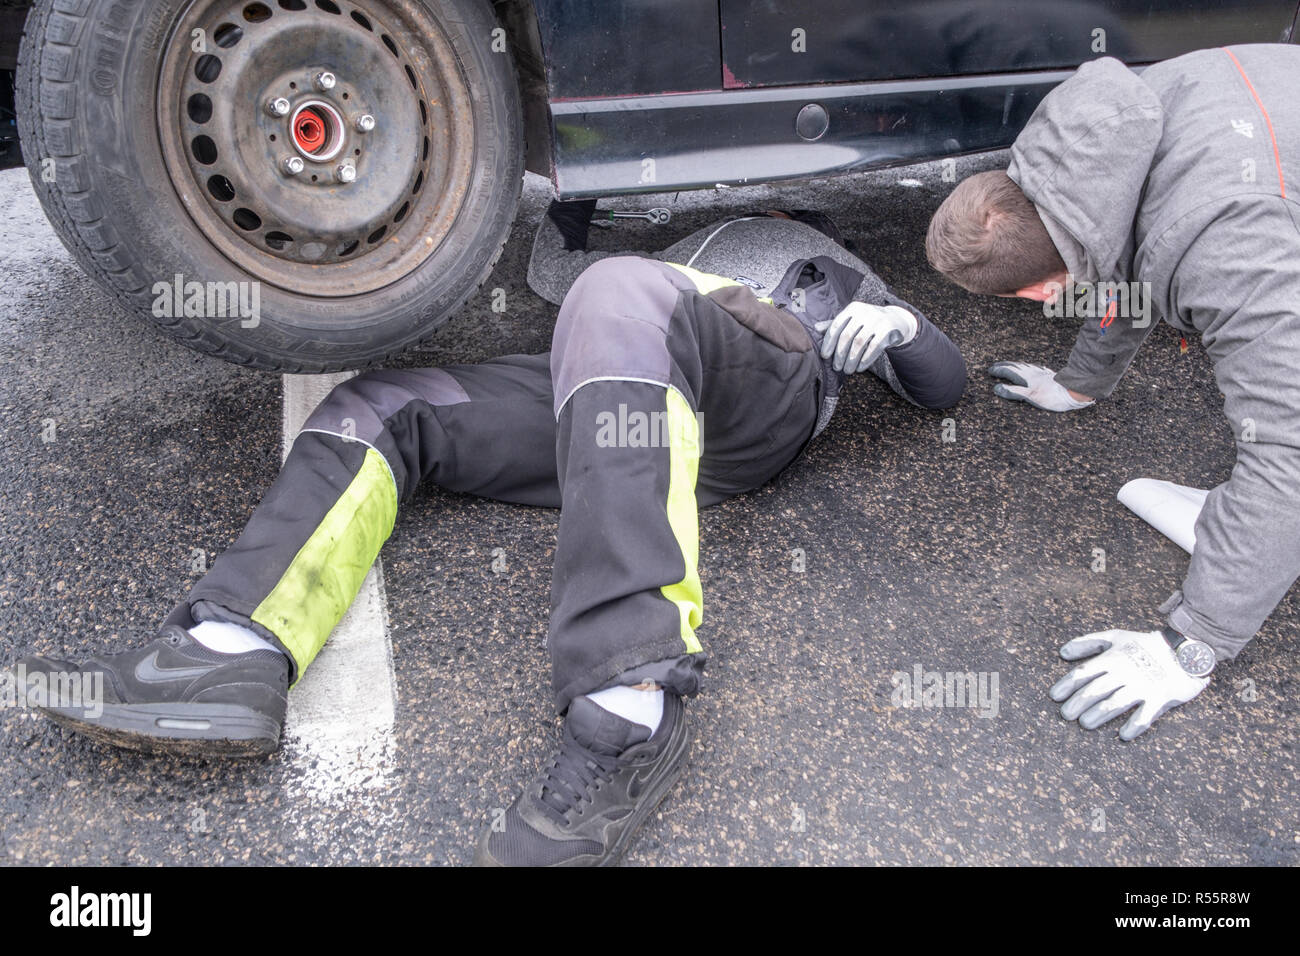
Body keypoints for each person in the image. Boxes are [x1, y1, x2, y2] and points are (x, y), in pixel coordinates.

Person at [16, 199, 966, 865]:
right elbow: (557, 270)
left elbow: (945, 385)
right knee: (394, 405)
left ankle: (628, 703)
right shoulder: (692, 241)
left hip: (756, 396)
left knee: (618, 289)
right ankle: (230, 650)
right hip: (633, 401)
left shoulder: (826, 269)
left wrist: (895, 326)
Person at [924, 44, 1299, 740]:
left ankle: (1254, 548)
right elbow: (1124, 256)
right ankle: (1251, 535)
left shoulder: (1230, 246)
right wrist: (1078, 386)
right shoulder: (1092, 147)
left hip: (1264, 202)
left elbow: (1290, 450)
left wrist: (1194, 643)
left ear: (1041, 292)